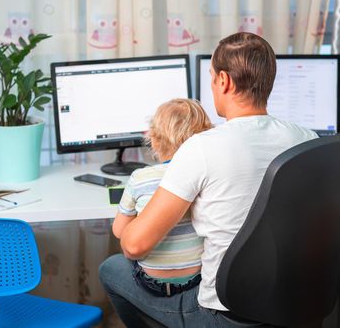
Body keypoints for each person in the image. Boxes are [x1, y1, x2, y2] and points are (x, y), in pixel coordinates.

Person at [99, 32, 318, 327]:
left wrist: (127, 221)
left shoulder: (202, 148)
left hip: (224, 316)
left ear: (224, 81)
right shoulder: (307, 139)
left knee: (113, 268)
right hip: (293, 306)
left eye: (212, 78)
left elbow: (135, 246)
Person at [112, 98, 211, 299]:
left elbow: (120, 231)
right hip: (197, 279)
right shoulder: (206, 175)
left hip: (152, 283)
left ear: (153, 140)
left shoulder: (139, 177)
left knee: (111, 267)